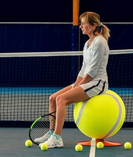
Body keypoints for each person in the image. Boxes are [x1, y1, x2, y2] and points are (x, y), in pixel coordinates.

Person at [35, 11, 110, 148]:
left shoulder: (99, 42)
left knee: (61, 99)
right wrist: (76, 84)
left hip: (98, 83)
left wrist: (78, 86)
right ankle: (51, 133)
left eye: (83, 24)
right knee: (53, 98)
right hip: (88, 80)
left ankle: (57, 138)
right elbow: (84, 69)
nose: (80, 26)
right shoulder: (87, 43)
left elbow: (92, 72)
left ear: (92, 26)